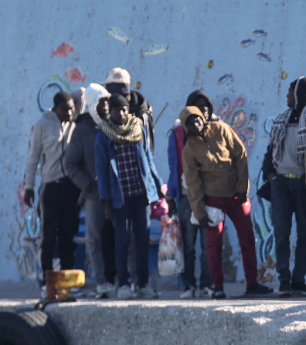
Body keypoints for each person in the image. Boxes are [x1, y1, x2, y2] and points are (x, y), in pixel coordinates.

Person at [181, 100, 269, 299]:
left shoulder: (221, 129)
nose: (196, 124)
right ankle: (218, 286)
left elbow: (240, 155)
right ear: (186, 128)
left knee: (247, 239)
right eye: (190, 123)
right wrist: (199, 211)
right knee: (214, 245)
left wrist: (243, 189)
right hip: (213, 201)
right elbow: (193, 182)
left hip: (236, 196)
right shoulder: (189, 150)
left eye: (198, 120)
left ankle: (253, 283)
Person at [93, 93, 163, 299]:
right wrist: (106, 201)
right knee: (122, 241)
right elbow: (102, 171)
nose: (121, 113)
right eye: (117, 110)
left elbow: (148, 160)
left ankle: (142, 284)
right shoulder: (104, 135)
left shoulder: (138, 129)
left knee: (142, 240)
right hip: (119, 198)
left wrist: (158, 186)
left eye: (124, 109)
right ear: (111, 112)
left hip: (141, 195)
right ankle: (123, 284)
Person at [262, 77, 306, 297]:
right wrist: (270, 174)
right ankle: (284, 281)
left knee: (305, 236)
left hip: (305, 185)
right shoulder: (282, 119)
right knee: (281, 234)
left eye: (290, 92)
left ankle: (299, 280)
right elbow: (271, 150)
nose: (287, 97)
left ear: (299, 94)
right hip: (281, 185)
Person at [167, 90, 218, 298]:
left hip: (210, 196)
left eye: (207, 107)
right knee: (188, 245)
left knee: (208, 245)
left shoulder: (216, 130)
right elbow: (173, 166)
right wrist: (171, 196)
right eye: (199, 107)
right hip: (187, 197)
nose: (204, 111)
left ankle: (207, 283)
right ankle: (189, 285)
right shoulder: (178, 133)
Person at [66, 84, 115, 298]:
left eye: (107, 101)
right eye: (101, 102)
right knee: (94, 239)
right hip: (94, 194)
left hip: (116, 193)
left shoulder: (114, 126)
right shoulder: (82, 130)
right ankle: (101, 281)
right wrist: (88, 184)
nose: (105, 106)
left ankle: (119, 279)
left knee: (118, 237)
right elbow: (71, 164)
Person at [23, 89, 78, 280]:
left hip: (71, 187)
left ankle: (67, 276)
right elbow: (33, 157)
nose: (69, 113)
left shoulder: (75, 122)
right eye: (64, 110)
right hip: (51, 186)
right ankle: (47, 277)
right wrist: (28, 186)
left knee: (67, 235)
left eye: (71, 109)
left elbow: (84, 94)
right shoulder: (41, 125)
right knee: (48, 235)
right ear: (55, 109)